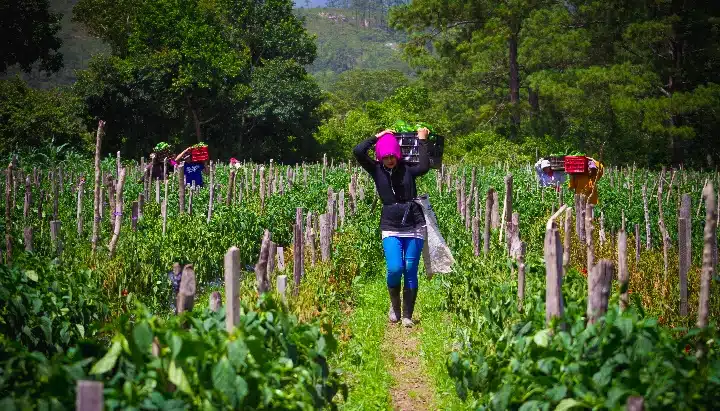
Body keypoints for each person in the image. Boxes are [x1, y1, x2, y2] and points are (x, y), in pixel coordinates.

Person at [353, 127, 431, 327]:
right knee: (395, 267)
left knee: (410, 268)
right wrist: (376, 137)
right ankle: (395, 308)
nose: (389, 160)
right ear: (380, 156)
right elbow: (358, 151)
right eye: (385, 156)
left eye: (392, 156)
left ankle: (407, 315)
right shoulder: (376, 170)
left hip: (414, 223)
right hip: (390, 225)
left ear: (397, 154)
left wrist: (422, 140)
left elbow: (424, 166)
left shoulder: (407, 169)